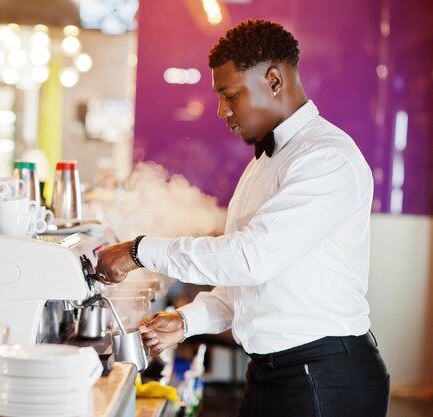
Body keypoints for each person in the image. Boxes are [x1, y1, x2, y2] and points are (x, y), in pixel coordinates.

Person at [95, 19, 390, 417]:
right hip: (273, 372)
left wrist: (138, 250)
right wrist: (185, 321)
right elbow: (247, 283)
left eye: (230, 94)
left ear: (273, 80)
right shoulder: (264, 164)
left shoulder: (325, 158)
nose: (221, 111)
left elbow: (252, 259)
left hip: (323, 376)